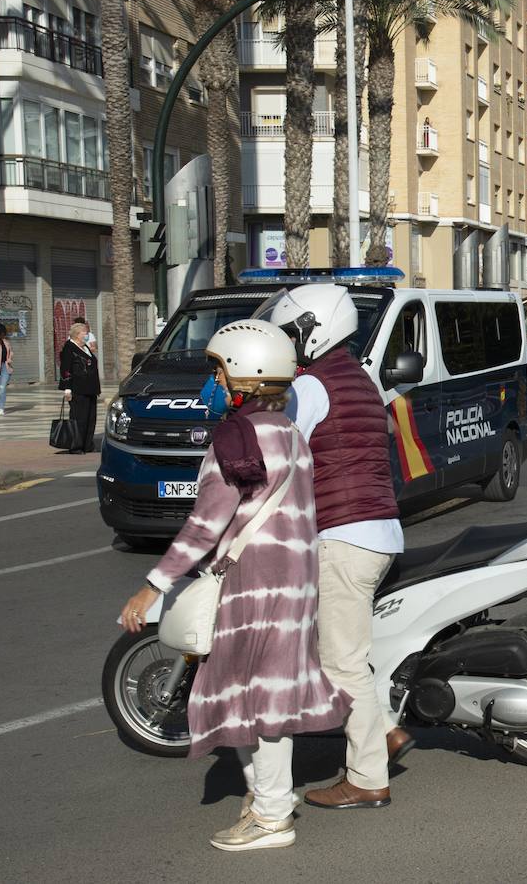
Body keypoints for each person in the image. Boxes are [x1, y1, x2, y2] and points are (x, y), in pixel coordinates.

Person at [118, 320, 350, 852]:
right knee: (260, 695)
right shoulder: (289, 431)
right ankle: (273, 799)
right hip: (296, 582)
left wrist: (152, 587)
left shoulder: (235, 437)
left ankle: (271, 817)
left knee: (255, 699)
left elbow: (205, 525)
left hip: (255, 583)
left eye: (218, 372)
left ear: (241, 375)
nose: (214, 384)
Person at [261, 284, 410, 811]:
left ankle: (368, 777)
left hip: (344, 536)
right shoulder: (360, 379)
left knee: (342, 663)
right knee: (340, 651)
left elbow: (279, 457)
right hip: (377, 530)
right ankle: (385, 731)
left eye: (290, 333)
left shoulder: (314, 387)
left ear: (312, 331)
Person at [58, 323, 100, 453]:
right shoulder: (69, 348)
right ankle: (76, 446)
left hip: (91, 389)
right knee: (79, 418)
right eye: (84, 333)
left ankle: (87, 444)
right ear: (77, 334)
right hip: (78, 389)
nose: (87, 335)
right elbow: (65, 369)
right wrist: (67, 389)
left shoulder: (85, 347)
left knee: (90, 417)